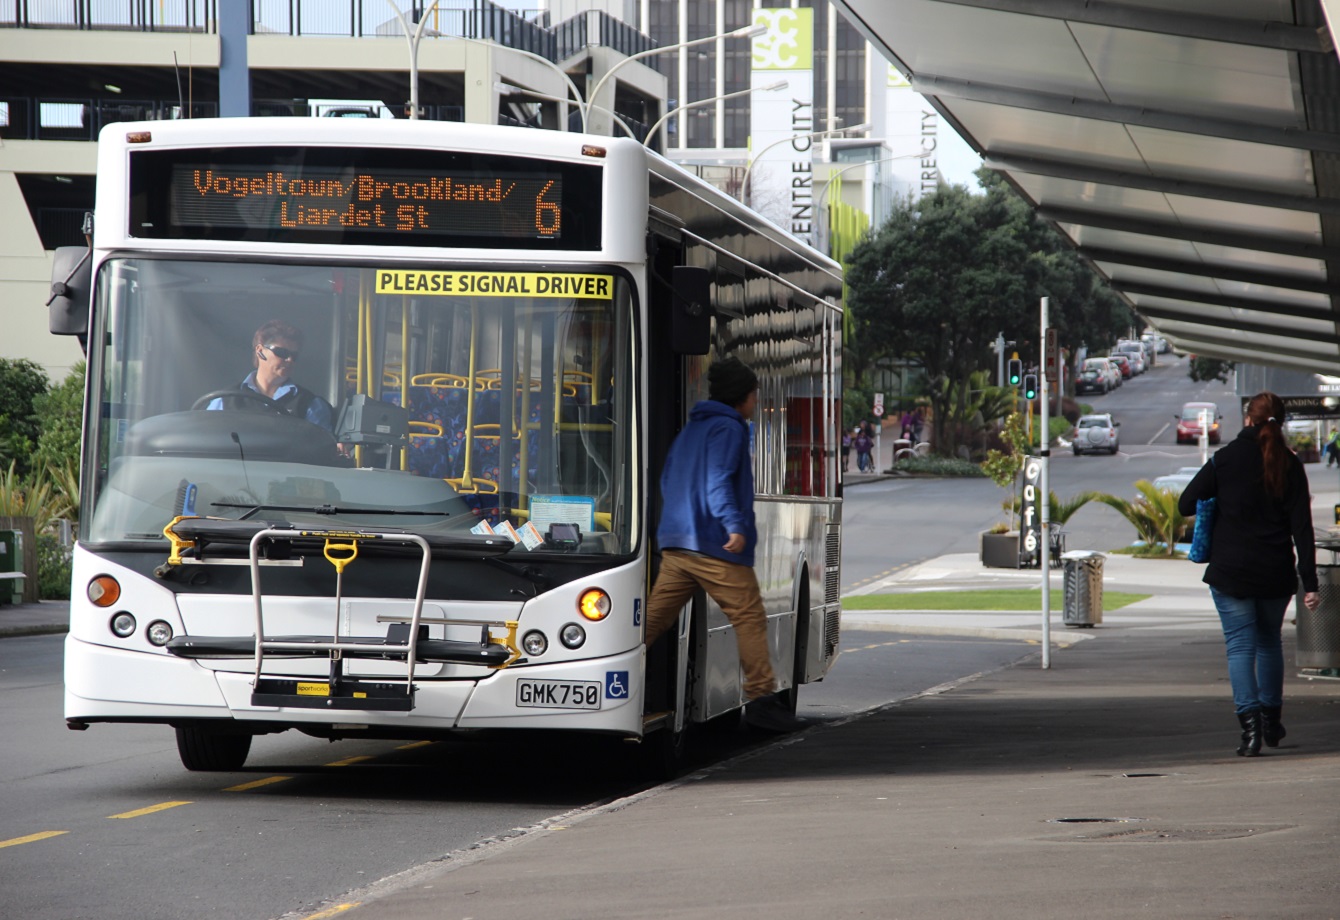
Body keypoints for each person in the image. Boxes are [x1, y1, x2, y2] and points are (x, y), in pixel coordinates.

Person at [643, 357, 803, 732]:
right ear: (743, 397)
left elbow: (668, 480)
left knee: (651, 621)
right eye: (755, 396)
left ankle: (614, 669)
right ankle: (763, 701)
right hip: (715, 546)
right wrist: (733, 524)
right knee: (748, 616)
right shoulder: (730, 428)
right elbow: (718, 480)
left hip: (677, 545)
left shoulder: (692, 428)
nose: (756, 403)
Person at [1178, 392, 1320, 758]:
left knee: (1240, 646)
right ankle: (1273, 721)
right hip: (1275, 572)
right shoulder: (1290, 464)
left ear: (1247, 420)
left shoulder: (1224, 460)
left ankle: (1251, 730)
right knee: (1269, 641)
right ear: (1281, 422)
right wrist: (1310, 582)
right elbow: (1302, 528)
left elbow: (1185, 503)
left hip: (1231, 572)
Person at [207, 319, 335, 431]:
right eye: (282, 352)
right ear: (260, 351)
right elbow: (207, 440)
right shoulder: (224, 400)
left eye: (294, 355)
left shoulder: (310, 404)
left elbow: (323, 450)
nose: (289, 360)